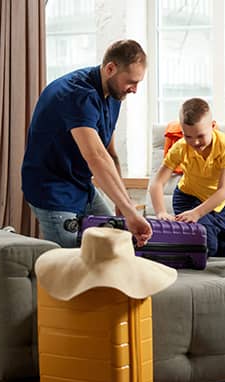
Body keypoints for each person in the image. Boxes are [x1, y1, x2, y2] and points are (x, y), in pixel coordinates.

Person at [21, 39, 151, 248]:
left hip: (81, 185)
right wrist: (129, 210)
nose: (134, 89)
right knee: (72, 264)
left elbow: (109, 154)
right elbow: (95, 157)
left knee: (114, 247)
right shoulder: (77, 94)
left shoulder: (113, 95)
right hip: (52, 189)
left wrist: (123, 201)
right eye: (131, 82)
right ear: (110, 69)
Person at [149, 98, 225, 258]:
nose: (195, 142)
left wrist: (198, 214)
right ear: (182, 132)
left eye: (201, 136)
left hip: (217, 205)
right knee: (208, 246)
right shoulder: (180, 147)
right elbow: (157, 183)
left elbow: (223, 190)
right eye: (188, 136)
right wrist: (160, 211)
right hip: (188, 200)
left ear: (212, 125)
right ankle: (196, 239)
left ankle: (200, 234)